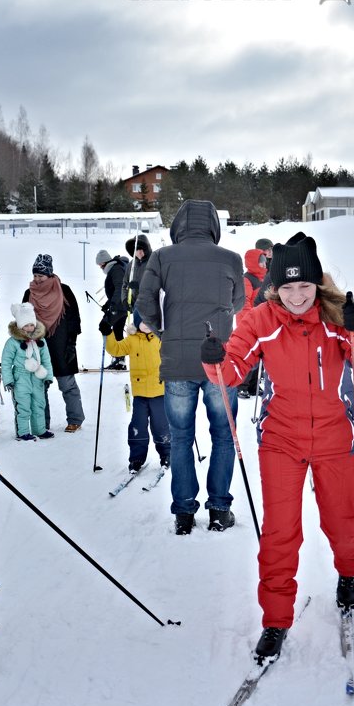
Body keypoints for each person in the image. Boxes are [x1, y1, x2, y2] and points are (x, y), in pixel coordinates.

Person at [198, 232, 354, 663]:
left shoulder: (337, 316)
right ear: (274, 288)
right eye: (288, 287)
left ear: (317, 284)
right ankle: (276, 619)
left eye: (305, 286)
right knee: (281, 533)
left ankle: (349, 571)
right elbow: (230, 372)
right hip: (281, 439)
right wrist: (214, 358)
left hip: (337, 438)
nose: (298, 296)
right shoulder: (260, 320)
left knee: (340, 522)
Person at [136, 198, 245, 535]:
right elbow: (238, 300)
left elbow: (144, 301)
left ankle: (184, 512)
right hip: (220, 361)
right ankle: (219, 509)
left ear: (178, 225)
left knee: (181, 438)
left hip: (177, 362)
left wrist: (162, 331)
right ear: (213, 225)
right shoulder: (230, 259)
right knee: (223, 437)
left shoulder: (162, 256)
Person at [21, 254, 85, 433]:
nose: (37, 279)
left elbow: (74, 320)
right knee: (39, 387)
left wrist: (72, 343)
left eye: (40, 276)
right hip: (39, 347)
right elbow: (22, 321)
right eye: (35, 276)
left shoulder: (64, 291)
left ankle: (75, 419)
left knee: (67, 384)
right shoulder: (29, 294)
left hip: (62, 346)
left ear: (49, 274)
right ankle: (42, 423)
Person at [101, 309, 170, 472]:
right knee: (137, 426)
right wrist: (108, 333)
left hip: (159, 392)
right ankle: (136, 457)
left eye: (149, 321)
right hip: (140, 394)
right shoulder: (131, 340)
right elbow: (115, 350)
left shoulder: (161, 339)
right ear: (136, 323)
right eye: (142, 321)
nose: (146, 325)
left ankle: (167, 454)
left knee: (161, 426)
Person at [1, 302, 54, 440]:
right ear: (19, 326)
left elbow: (46, 360)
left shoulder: (40, 341)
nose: (29, 328)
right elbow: (6, 362)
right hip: (20, 378)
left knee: (38, 404)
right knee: (23, 406)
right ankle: (23, 432)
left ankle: (40, 430)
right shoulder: (13, 342)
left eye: (31, 324)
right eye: (26, 325)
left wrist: (48, 376)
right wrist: (9, 380)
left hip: (37, 377)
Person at [237, 239, 272, 398]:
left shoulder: (264, 278)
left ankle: (253, 386)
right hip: (249, 323)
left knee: (260, 355)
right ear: (254, 262)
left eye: (265, 261)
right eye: (262, 261)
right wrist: (252, 321)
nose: (265, 264)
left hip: (262, 321)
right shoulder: (247, 279)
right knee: (249, 355)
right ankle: (242, 386)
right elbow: (244, 304)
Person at [96, 249, 130, 370]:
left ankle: (119, 359)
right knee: (117, 331)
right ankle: (120, 360)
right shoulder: (115, 268)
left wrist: (113, 306)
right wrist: (108, 304)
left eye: (100, 264)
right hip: (121, 306)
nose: (100, 267)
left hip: (119, 307)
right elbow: (115, 291)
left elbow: (120, 288)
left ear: (104, 262)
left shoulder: (115, 269)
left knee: (104, 326)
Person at [121, 234, 153, 315]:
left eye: (141, 249)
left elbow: (158, 284)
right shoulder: (131, 265)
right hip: (136, 307)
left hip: (151, 307)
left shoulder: (154, 262)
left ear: (147, 248)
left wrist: (139, 286)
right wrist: (125, 300)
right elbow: (125, 284)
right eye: (136, 249)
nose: (139, 252)